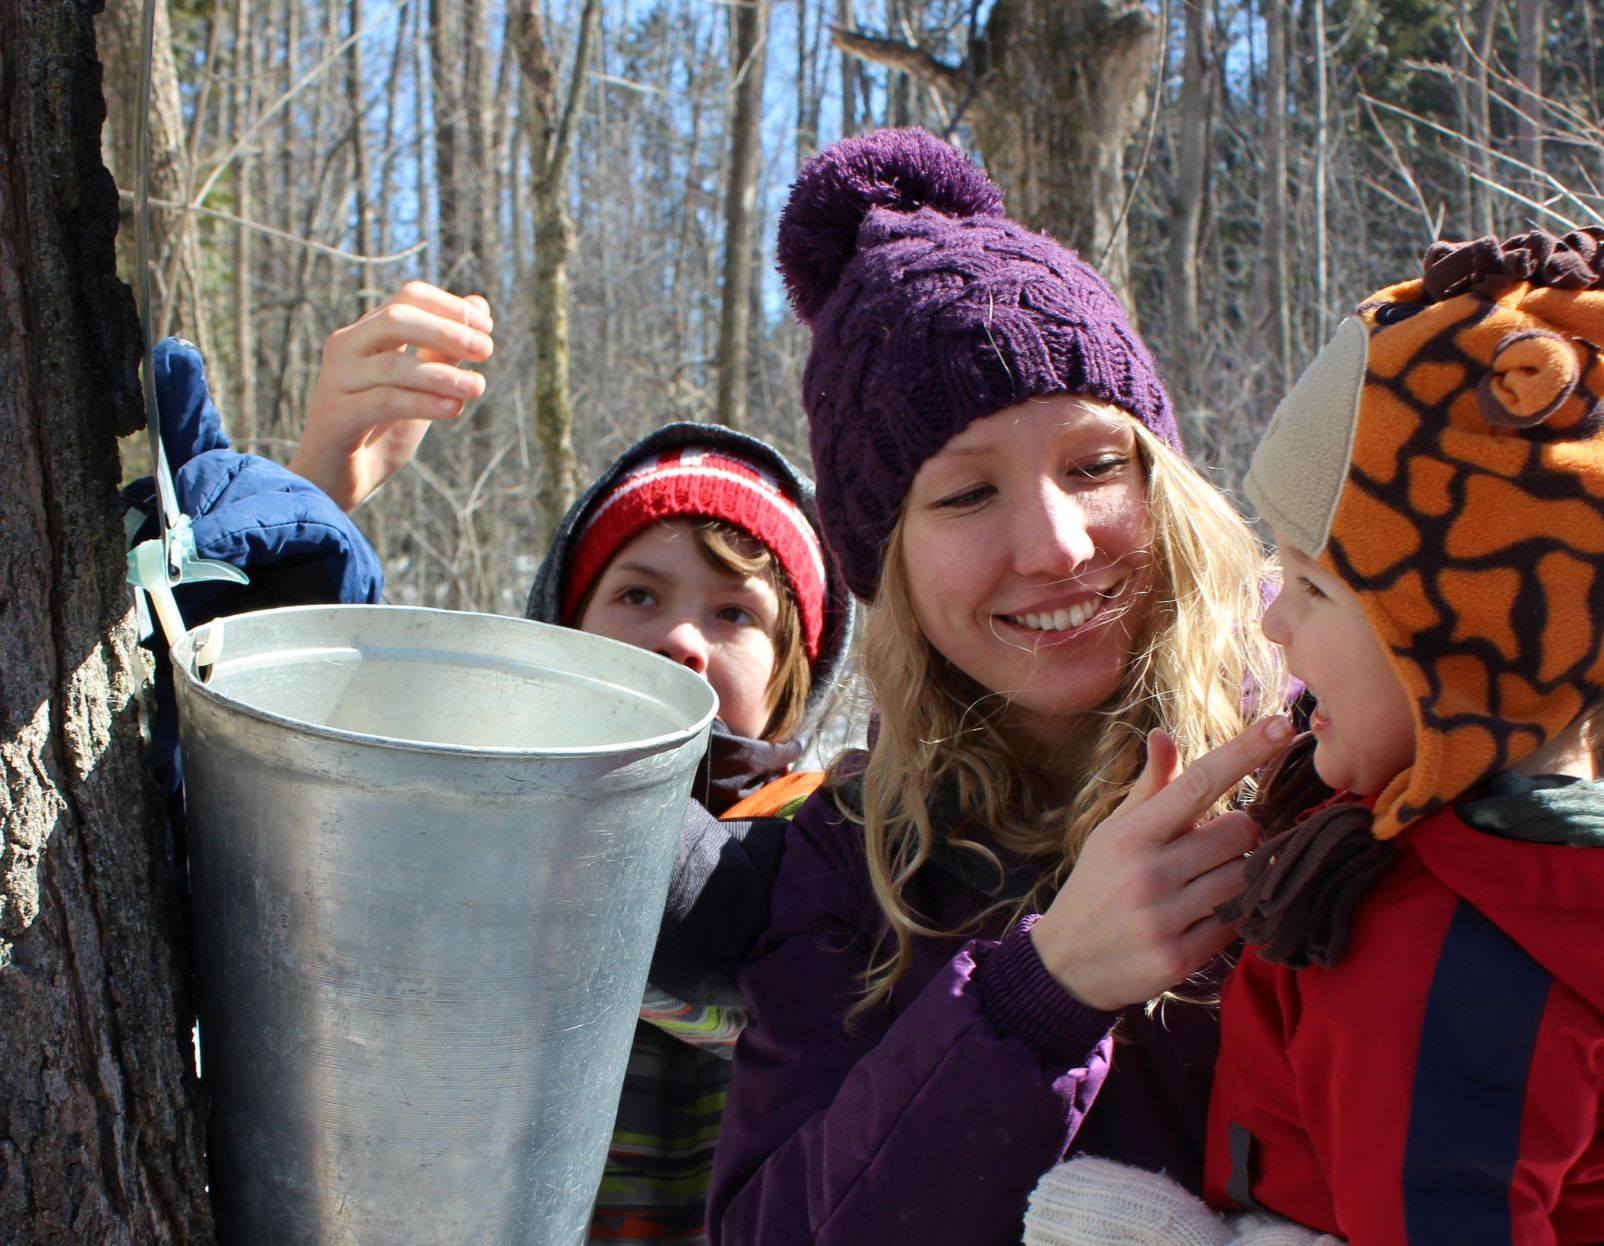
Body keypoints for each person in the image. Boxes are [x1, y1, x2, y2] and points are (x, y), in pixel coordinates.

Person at [705, 127, 1292, 1246]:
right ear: (889, 566)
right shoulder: (851, 854)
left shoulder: (1324, 743)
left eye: (1093, 465)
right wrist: (1041, 994)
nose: (1056, 544)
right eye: (967, 496)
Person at [1201, 229, 1604, 1241]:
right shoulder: (1483, 859)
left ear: (1453, 639)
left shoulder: (1450, 953)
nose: (1268, 622)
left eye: (1312, 586)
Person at [522, 424, 854, 1244]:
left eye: (734, 612)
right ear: (563, 631)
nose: (680, 639)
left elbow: (773, 999)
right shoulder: (490, 800)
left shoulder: (821, 834)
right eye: (638, 594)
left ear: (791, 677)